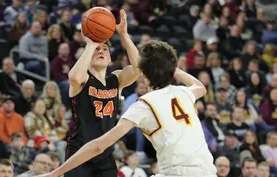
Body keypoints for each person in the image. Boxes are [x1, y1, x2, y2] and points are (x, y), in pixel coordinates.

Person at [34, 40, 217, 177]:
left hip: (174, 172)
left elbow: (99, 145)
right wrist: (171, 68)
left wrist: (54, 173)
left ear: (143, 73)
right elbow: (200, 86)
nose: (101, 51)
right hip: (208, 170)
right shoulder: (183, 93)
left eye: (105, 48)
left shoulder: (145, 104)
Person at [61, 10, 140, 177]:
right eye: (97, 49)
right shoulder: (82, 80)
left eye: (105, 48)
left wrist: (124, 36)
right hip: (79, 154)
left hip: (105, 156)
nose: (101, 51)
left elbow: (138, 68)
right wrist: (91, 45)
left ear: (110, 58)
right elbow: (74, 78)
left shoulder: (116, 80)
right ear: (87, 56)